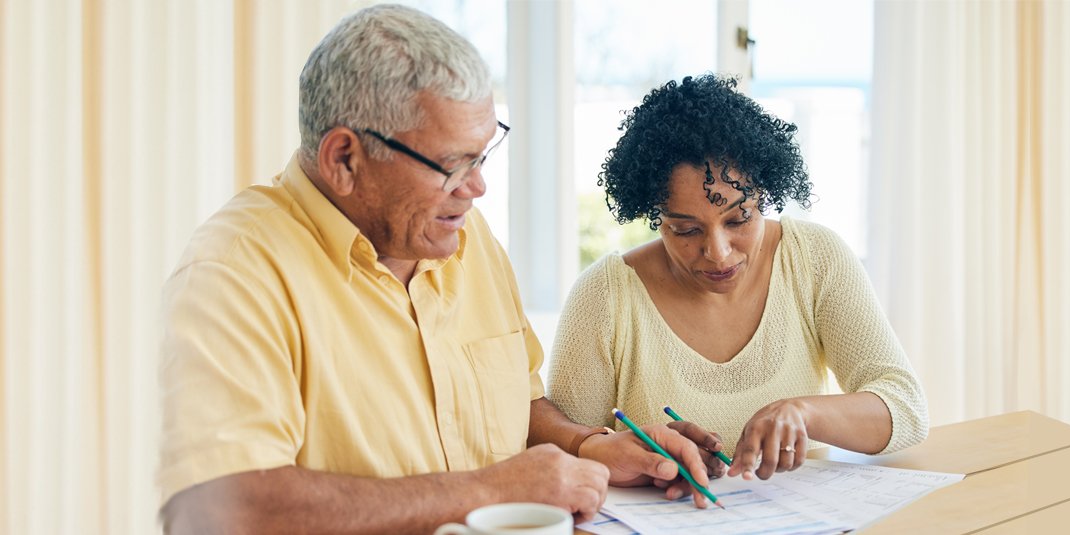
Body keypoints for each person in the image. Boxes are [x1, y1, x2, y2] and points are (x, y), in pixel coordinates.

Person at [157, 6, 713, 533]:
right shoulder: (232, 273)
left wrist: (588, 446)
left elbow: (516, 406)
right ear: (344, 159)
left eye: (482, 155)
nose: (477, 187)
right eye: (452, 166)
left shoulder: (465, 236)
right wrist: (488, 491)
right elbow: (220, 512)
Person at [547, 74, 929, 488]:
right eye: (686, 230)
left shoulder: (814, 258)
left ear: (764, 193)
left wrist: (805, 413)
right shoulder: (605, 296)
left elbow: (906, 409)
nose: (718, 252)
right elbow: (561, 454)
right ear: (654, 215)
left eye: (739, 219)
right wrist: (627, 453)